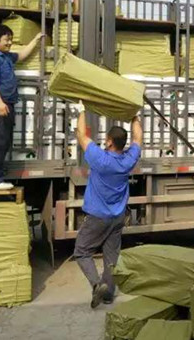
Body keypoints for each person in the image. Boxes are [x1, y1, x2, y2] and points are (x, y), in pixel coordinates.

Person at [72, 101, 142, 308]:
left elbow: (81, 136)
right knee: (112, 256)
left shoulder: (100, 159)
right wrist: (134, 115)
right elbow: (138, 137)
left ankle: (97, 285)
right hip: (118, 217)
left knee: (82, 251)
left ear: (109, 142)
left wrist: (82, 110)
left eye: (107, 139)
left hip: (98, 217)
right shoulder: (128, 160)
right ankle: (109, 294)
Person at [0, 24, 45, 190]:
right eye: (6, 40)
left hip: (5, 104)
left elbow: (21, 55)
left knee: (3, 141)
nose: (9, 43)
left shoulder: (5, 56)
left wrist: (35, 40)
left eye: (10, 39)